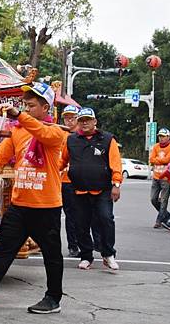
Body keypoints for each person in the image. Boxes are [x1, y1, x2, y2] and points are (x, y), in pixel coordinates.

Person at [0, 82, 65, 315]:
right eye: (25, 105)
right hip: (20, 206)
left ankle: (53, 298)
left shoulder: (55, 133)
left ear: (46, 107)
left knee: (51, 254)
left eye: (32, 105)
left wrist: (19, 116)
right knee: (4, 250)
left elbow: (42, 132)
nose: (26, 109)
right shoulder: (18, 131)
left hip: (46, 206)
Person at [60, 107, 122, 271]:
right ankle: (86, 256)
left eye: (88, 119)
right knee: (80, 224)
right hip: (78, 190)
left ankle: (108, 254)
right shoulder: (71, 140)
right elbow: (61, 162)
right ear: (78, 122)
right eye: (81, 120)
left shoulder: (108, 139)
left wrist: (116, 184)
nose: (84, 122)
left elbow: (116, 164)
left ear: (95, 121)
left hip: (103, 190)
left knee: (106, 219)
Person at [60, 105, 80, 257]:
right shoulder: (58, 133)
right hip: (57, 179)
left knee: (74, 215)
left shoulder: (81, 136)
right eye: (66, 117)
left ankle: (75, 245)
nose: (69, 120)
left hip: (73, 180)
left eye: (72, 117)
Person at [149, 128, 170, 228]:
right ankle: (166, 214)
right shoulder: (156, 146)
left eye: (163, 136)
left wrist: (158, 159)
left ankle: (159, 220)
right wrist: (160, 160)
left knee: (164, 200)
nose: (161, 138)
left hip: (166, 178)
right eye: (160, 136)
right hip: (156, 176)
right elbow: (151, 159)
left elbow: (168, 159)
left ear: (168, 137)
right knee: (153, 199)